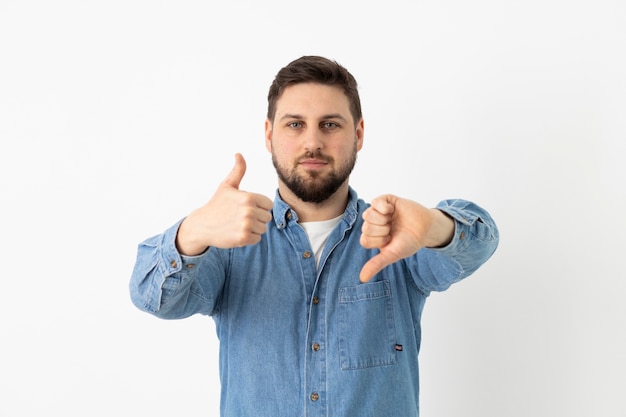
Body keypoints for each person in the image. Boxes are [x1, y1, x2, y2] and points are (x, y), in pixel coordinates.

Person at [129, 55, 499, 417]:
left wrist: (435, 226)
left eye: (330, 125)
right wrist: (194, 230)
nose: (312, 143)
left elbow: (481, 242)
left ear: (358, 134)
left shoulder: (397, 236)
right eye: (294, 125)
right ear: (269, 134)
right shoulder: (229, 244)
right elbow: (151, 297)